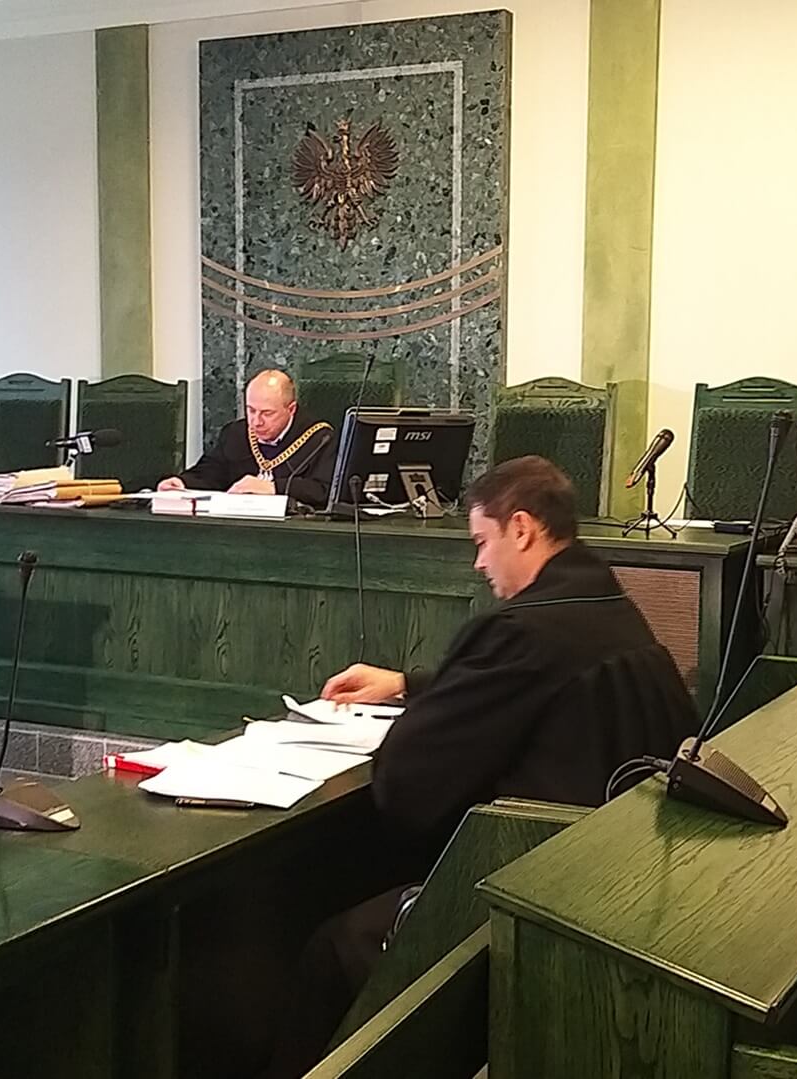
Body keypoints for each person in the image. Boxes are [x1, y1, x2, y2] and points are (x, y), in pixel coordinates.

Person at [258, 456, 698, 1078]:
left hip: (533, 895)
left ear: (521, 528)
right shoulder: (604, 603)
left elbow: (407, 785)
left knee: (335, 946)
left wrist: (420, 720)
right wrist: (409, 684)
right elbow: (537, 686)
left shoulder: (521, 629)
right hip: (621, 878)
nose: (479, 564)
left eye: (481, 542)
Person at [158, 369, 335, 505]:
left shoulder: (320, 439)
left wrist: (273, 487)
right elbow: (211, 472)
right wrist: (182, 483)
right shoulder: (236, 433)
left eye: (267, 413)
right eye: (251, 410)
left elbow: (325, 490)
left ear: (291, 409)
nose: (256, 422)